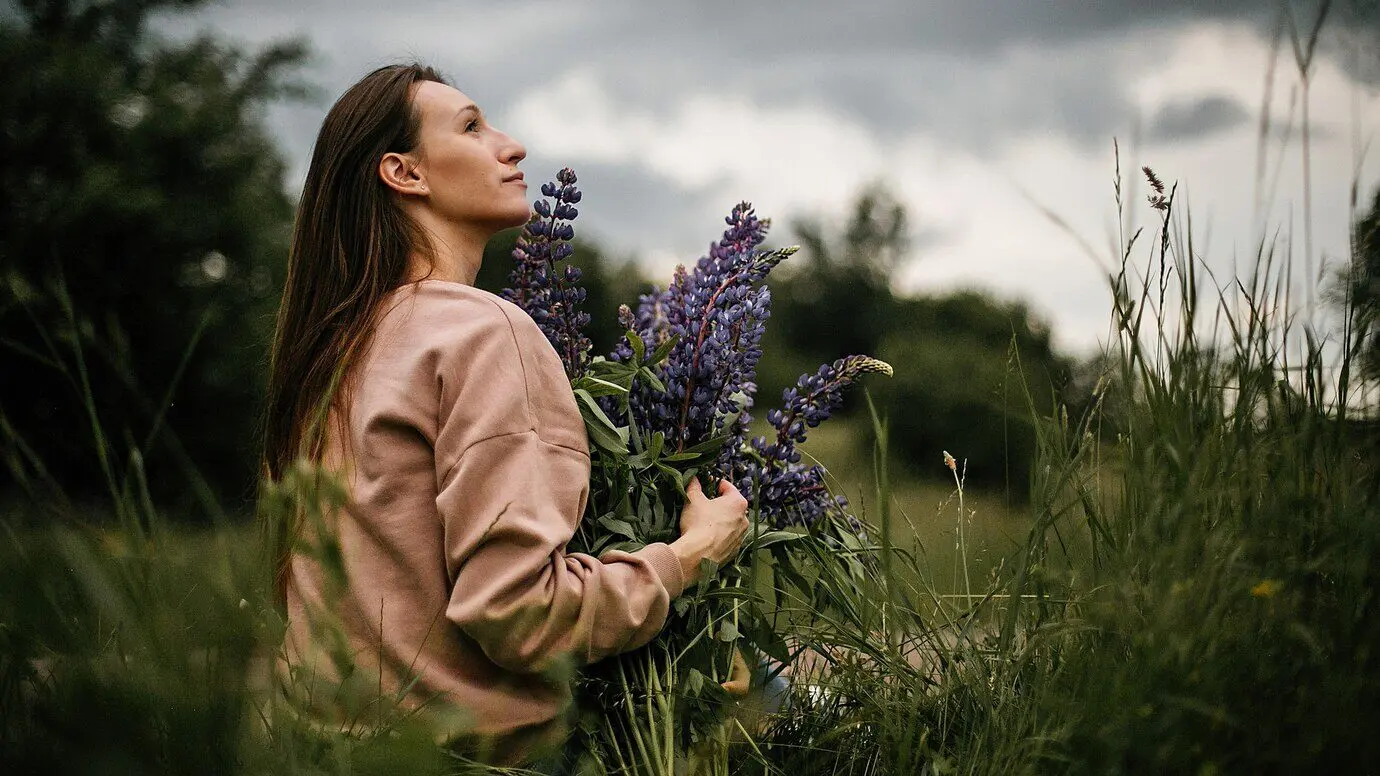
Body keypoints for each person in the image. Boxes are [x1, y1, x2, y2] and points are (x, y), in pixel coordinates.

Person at [260, 63, 751, 765]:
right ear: (404, 173)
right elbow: (518, 613)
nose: (512, 145)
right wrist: (688, 557)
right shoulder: (484, 332)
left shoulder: (333, 348)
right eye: (471, 127)